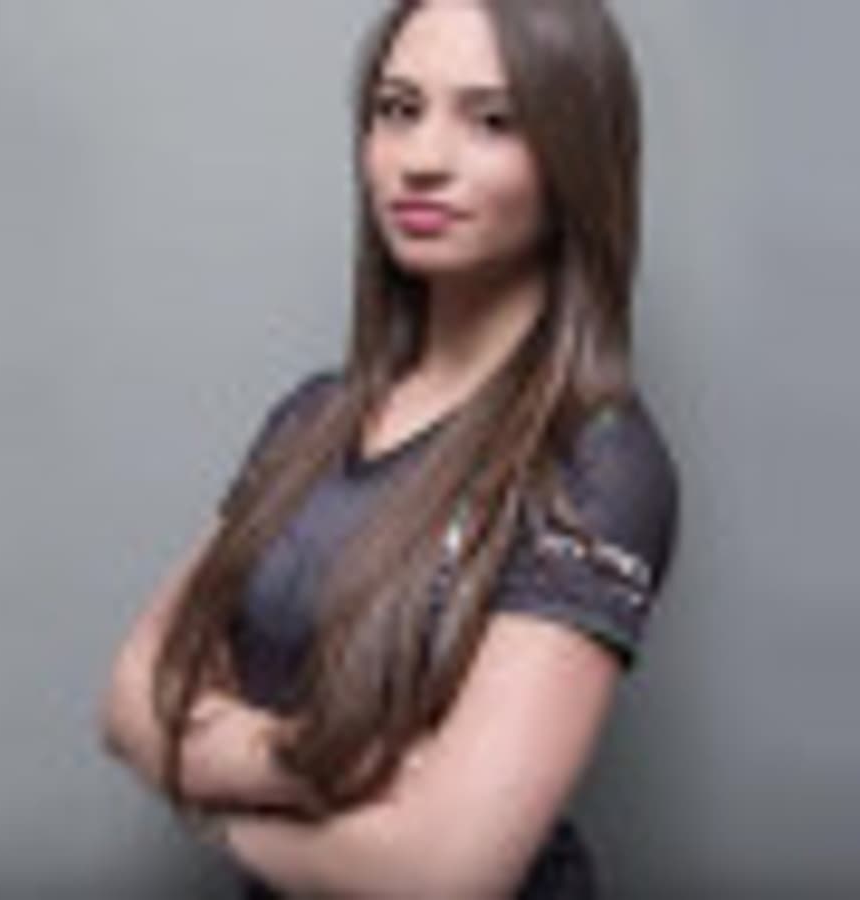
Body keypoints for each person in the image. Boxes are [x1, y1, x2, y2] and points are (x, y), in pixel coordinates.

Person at [100, 0, 680, 895]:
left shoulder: (596, 459)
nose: (423, 159)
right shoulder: (312, 417)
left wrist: (212, 804)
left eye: (493, 121)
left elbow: (440, 873)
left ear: (575, 157)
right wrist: (304, 759)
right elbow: (134, 699)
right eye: (398, 110)